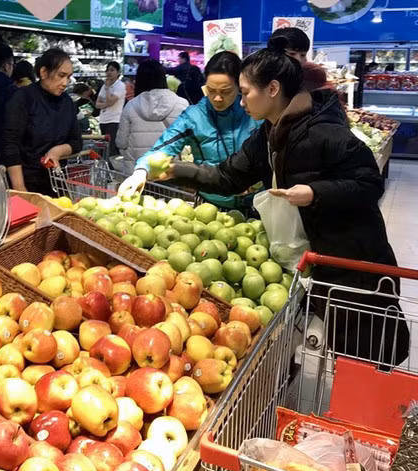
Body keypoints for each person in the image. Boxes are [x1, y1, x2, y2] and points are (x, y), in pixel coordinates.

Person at [119, 43, 409, 366]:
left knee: (371, 354)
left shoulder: (325, 132)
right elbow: (227, 176)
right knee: (345, 354)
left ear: (272, 89)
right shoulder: (269, 134)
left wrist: (314, 193)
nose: (240, 103)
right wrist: (170, 169)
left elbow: (369, 183)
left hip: (356, 261)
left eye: (244, 93)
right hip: (321, 259)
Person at [131, 51, 261, 211]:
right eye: (211, 90)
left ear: (239, 86)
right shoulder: (193, 117)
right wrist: (141, 171)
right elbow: (162, 148)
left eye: (226, 91)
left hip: (257, 205)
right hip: (210, 207)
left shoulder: (255, 112)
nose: (217, 98)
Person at [4, 48, 83, 195]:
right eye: (61, 75)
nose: (65, 83)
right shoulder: (23, 98)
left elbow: (76, 142)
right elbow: (10, 145)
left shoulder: (67, 103)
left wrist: (58, 150)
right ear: (43, 72)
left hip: (56, 183)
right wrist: (20, 189)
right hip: (27, 182)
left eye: (68, 77)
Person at [116, 59, 188, 165]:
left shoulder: (130, 106)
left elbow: (121, 143)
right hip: (170, 171)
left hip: (137, 172)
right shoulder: (181, 104)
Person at [268, 27, 332, 93]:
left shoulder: (313, 75)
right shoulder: (262, 76)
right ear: (275, 54)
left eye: (303, 55)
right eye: (292, 54)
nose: (298, 59)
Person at [95, 61, 126, 158]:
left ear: (118, 72)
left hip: (114, 121)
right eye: (107, 70)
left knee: (111, 149)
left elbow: (110, 101)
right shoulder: (104, 86)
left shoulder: (120, 86)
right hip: (103, 120)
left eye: (112, 70)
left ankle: (111, 169)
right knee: (104, 147)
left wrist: (108, 89)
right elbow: (97, 104)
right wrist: (106, 103)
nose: (109, 73)